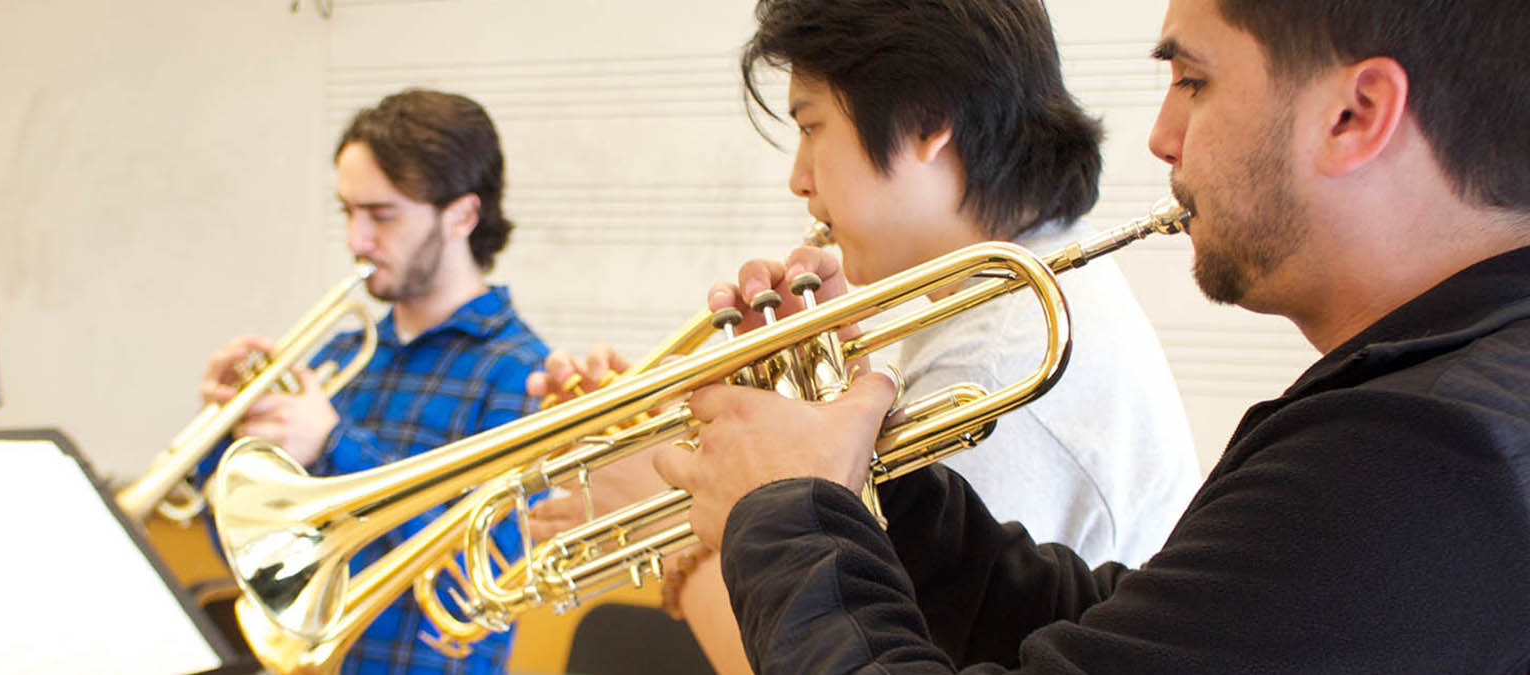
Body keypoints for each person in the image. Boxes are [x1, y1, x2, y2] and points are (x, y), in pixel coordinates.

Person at [658, 0, 1530, 670]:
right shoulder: (1440, 409)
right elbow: (1122, 631)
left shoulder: (1424, 460)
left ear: (1355, 113)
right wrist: (884, 493)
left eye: (1194, 80)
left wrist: (784, 512)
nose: (1160, 135)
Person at [528, 0, 1197, 671]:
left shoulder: (995, 369)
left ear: (927, 118)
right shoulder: (995, 310)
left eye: (812, 126)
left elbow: (874, 655)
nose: (800, 178)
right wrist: (766, 432)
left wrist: (674, 521)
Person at [192, 89, 548, 675]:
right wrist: (226, 440)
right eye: (348, 212)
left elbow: (479, 585)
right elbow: (255, 563)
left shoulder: (522, 375)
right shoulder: (342, 355)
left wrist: (335, 445)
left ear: (461, 215)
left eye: (381, 215)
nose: (357, 241)